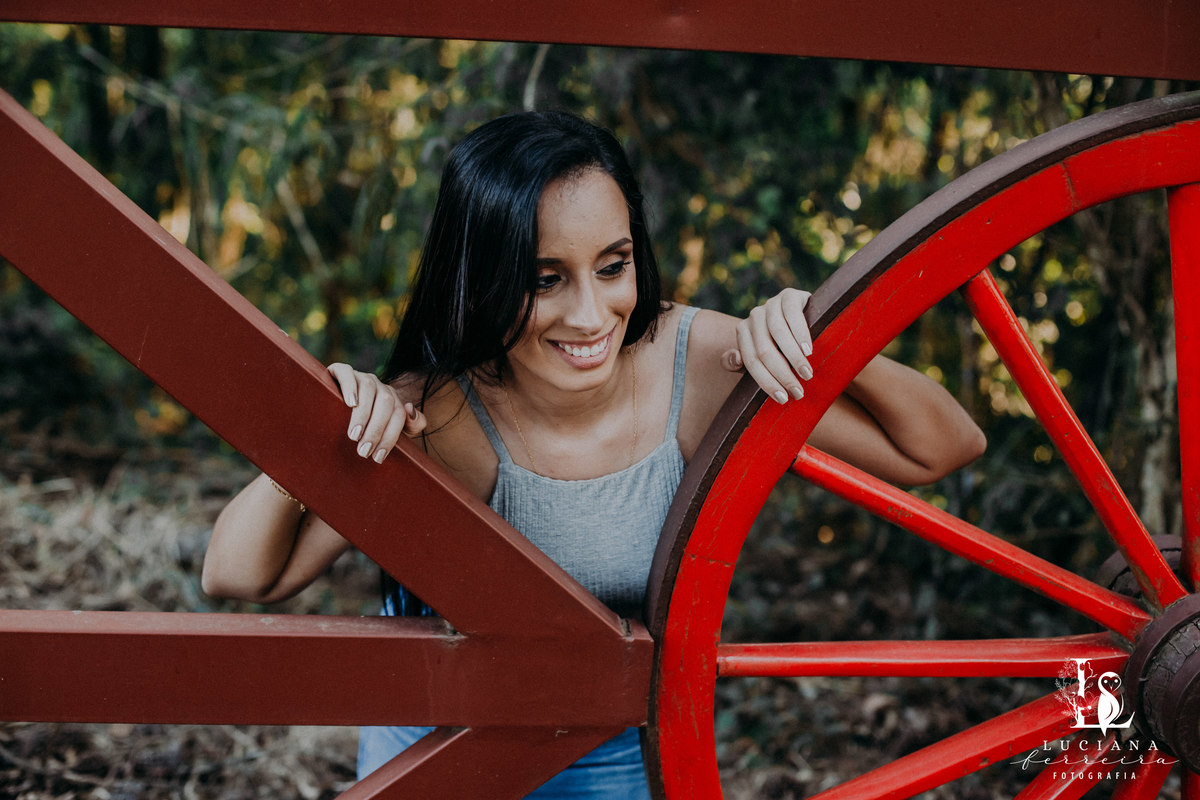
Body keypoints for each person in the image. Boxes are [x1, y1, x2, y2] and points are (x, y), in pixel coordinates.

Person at [201, 111, 986, 797]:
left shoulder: (700, 365)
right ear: (484, 279)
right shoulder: (438, 411)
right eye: (545, 280)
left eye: (613, 266)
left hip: (613, 761)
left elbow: (942, 447)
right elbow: (238, 574)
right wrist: (322, 434)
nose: (591, 314)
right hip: (432, 753)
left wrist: (820, 332)